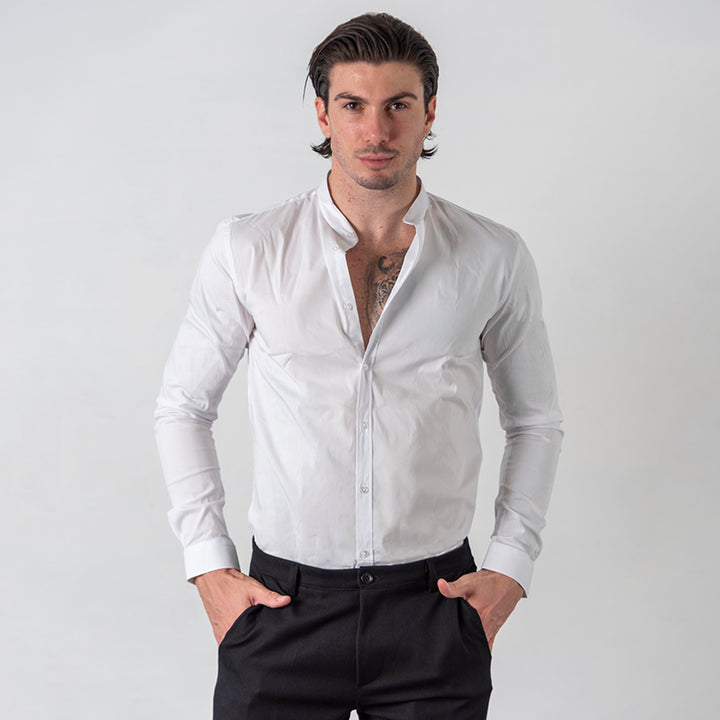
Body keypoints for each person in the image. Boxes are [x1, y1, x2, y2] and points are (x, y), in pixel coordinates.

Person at [155, 12, 562, 720]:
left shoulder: (492, 255)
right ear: (323, 113)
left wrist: (509, 568)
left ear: (429, 112)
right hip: (282, 605)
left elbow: (535, 421)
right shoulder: (250, 249)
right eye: (353, 105)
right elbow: (183, 407)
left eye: (398, 105)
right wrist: (208, 565)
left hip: (434, 607)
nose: (376, 131)